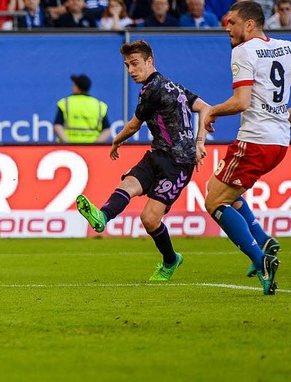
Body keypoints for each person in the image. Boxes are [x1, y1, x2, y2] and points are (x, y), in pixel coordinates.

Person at [198, 1, 291, 295]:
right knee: (220, 188)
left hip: (255, 140)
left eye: (232, 23)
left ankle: (261, 258)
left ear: (249, 24)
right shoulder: (288, 48)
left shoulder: (243, 51)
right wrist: (287, 116)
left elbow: (241, 101)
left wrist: (212, 111)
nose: (227, 27)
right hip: (279, 143)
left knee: (214, 203)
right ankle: (263, 239)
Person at [76, 40, 211, 281]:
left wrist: (116, 141)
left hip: (178, 163)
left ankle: (171, 260)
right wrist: (200, 140)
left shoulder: (153, 89)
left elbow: (133, 125)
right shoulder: (175, 86)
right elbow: (204, 107)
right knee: (128, 184)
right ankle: (102, 217)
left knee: (149, 220)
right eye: (127, 65)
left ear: (150, 62)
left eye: (135, 64)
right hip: (157, 154)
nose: (131, 70)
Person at [53, 74, 113, 143]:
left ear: (76, 87)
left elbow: (57, 126)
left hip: (69, 150)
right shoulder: (99, 105)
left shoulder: (65, 103)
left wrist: (67, 144)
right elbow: (107, 130)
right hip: (91, 150)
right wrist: (95, 145)